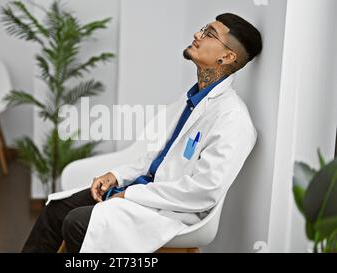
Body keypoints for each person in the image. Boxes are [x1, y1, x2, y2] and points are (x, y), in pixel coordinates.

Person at [22, 13, 262, 253]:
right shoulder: (191, 99)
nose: (197, 35)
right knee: (57, 210)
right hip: (144, 191)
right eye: (203, 29)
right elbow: (157, 156)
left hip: (171, 211)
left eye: (209, 34)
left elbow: (203, 192)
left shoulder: (232, 119)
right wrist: (116, 176)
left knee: (78, 223)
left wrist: (130, 195)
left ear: (227, 56)